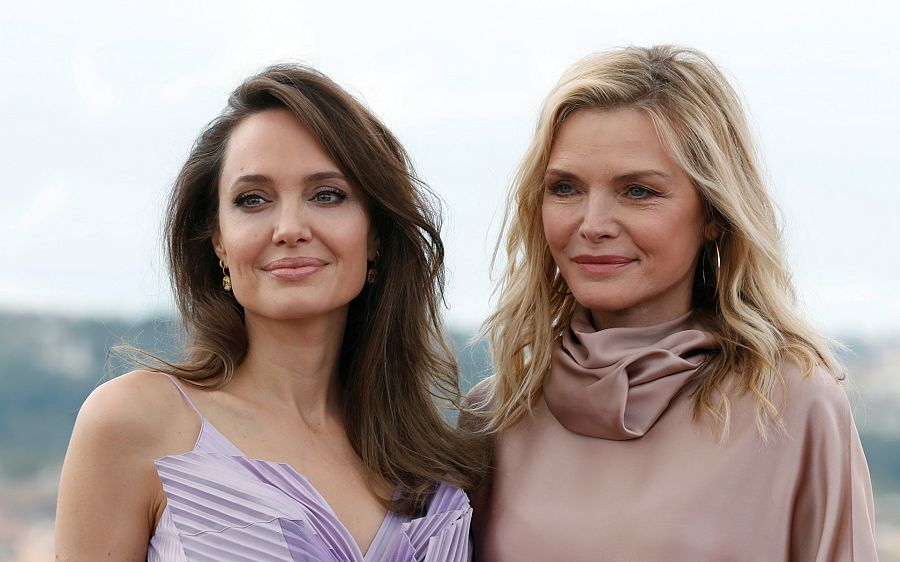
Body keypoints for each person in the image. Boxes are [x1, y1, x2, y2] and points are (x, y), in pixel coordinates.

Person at [56, 64, 483, 561]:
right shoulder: (136, 423)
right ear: (218, 239)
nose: (289, 228)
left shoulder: (440, 463)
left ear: (375, 234)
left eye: (327, 195)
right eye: (253, 199)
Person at [470, 45, 878, 560]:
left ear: (714, 215)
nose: (593, 225)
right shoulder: (494, 414)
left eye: (638, 191)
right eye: (566, 188)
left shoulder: (791, 404)